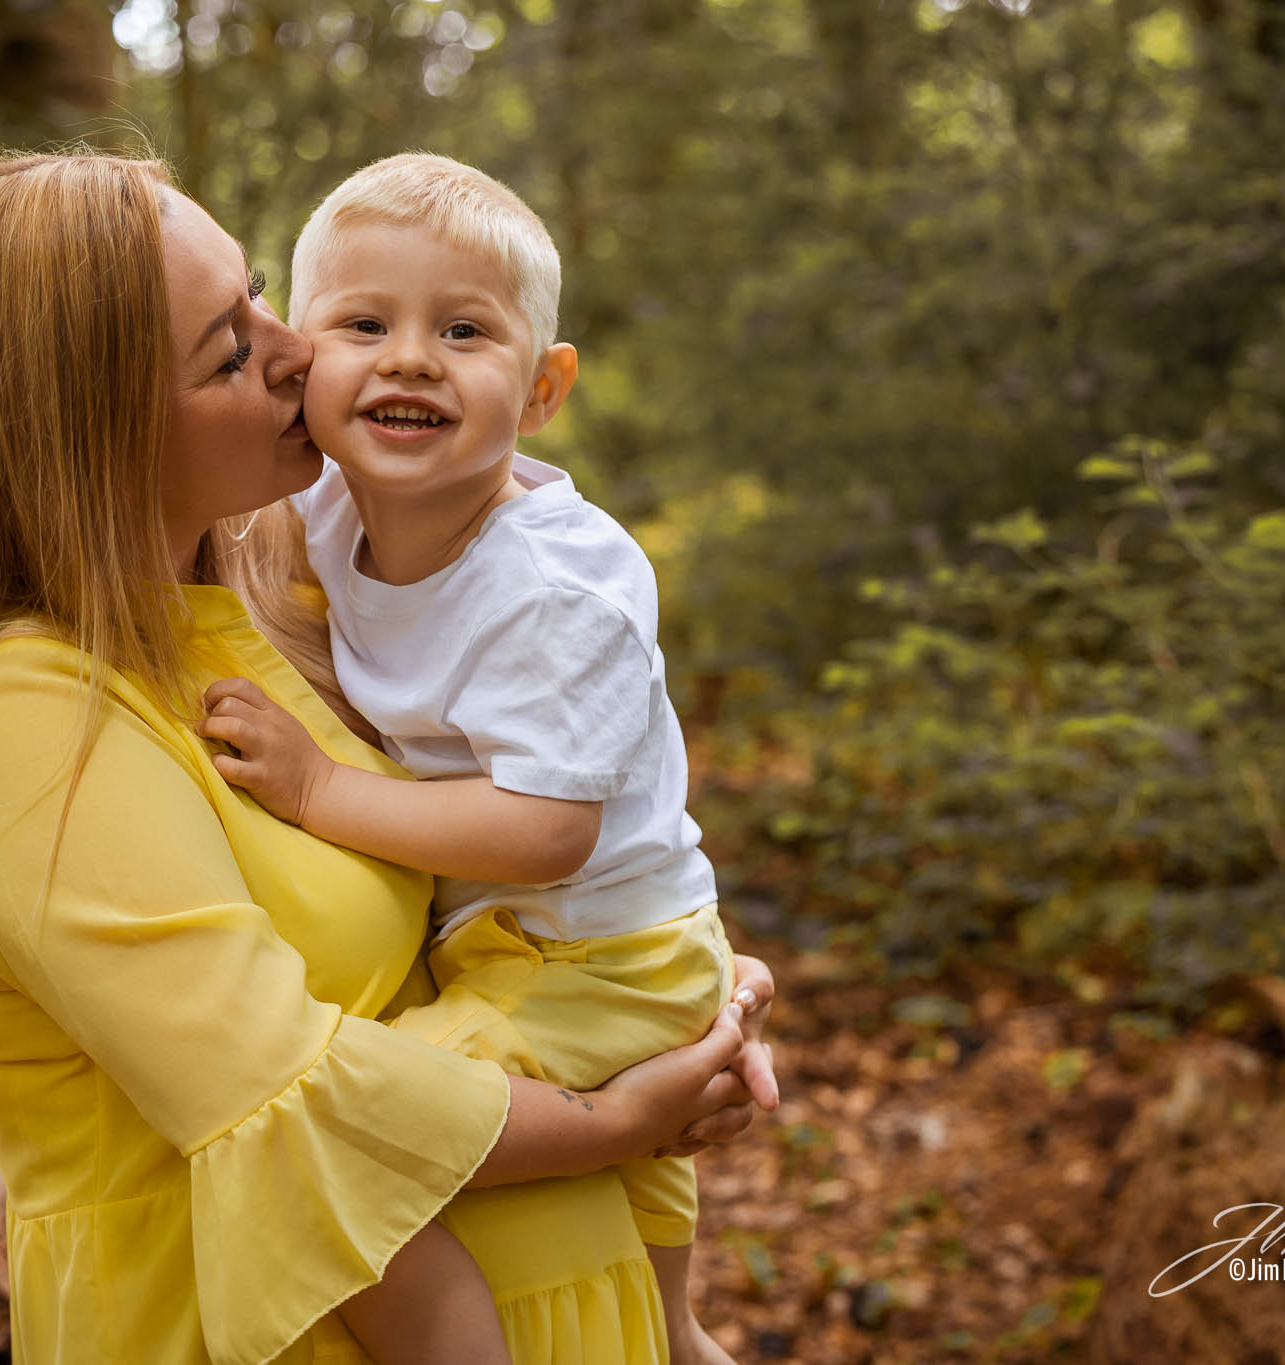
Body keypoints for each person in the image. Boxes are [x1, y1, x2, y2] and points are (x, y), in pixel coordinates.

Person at [0, 149, 779, 1365]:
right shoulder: (32, 715)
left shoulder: (276, 590)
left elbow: (493, 849)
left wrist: (662, 975)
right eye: (230, 347)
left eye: (261, 297)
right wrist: (610, 1116)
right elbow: (289, 1097)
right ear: (92, 431)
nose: (296, 354)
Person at [199, 153, 752, 1365]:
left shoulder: (557, 585)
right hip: (538, 946)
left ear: (543, 388)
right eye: (363, 323)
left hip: (596, 958)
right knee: (666, 1333)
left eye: (462, 329)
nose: (407, 358)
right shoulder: (329, 509)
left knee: (342, 1142)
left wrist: (319, 790)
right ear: (299, 357)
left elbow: (547, 832)